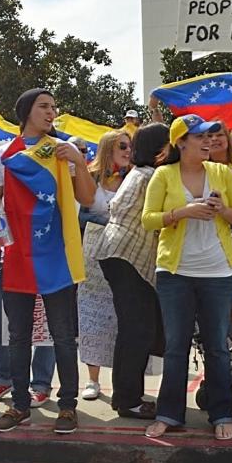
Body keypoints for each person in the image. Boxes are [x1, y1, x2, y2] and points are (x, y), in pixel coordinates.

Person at [0, 88, 96, 435]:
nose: (51, 112)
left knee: (63, 336)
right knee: (17, 337)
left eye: (53, 106)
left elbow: (88, 198)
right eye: (44, 106)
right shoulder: (2, 154)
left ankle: (67, 406)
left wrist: (77, 160)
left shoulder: (63, 151)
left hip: (57, 254)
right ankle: (19, 405)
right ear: (26, 111)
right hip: (17, 254)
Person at [141, 114, 232, 441]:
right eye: (200, 136)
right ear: (181, 142)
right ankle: (169, 414)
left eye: (211, 136)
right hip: (175, 273)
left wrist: (222, 211)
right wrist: (182, 213)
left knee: (217, 346)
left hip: (218, 271)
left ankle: (222, 413)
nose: (208, 141)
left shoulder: (222, 172)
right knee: (176, 346)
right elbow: (148, 220)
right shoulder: (163, 174)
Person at [94, 122, 170, 420]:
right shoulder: (151, 176)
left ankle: (128, 395)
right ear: (160, 149)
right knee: (136, 330)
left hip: (117, 253)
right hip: (128, 255)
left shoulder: (139, 173)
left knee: (135, 328)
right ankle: (128, 400)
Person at [78, 130, 132, 401]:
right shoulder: (90, 177)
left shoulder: (135, 177)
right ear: (108, 148)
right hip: (94, 255)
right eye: (122, 146)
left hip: (127, 254)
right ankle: (92, 380)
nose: (127, 150)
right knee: (93, 316)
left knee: (125, 319)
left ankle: (122, 381)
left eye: (130, 146)